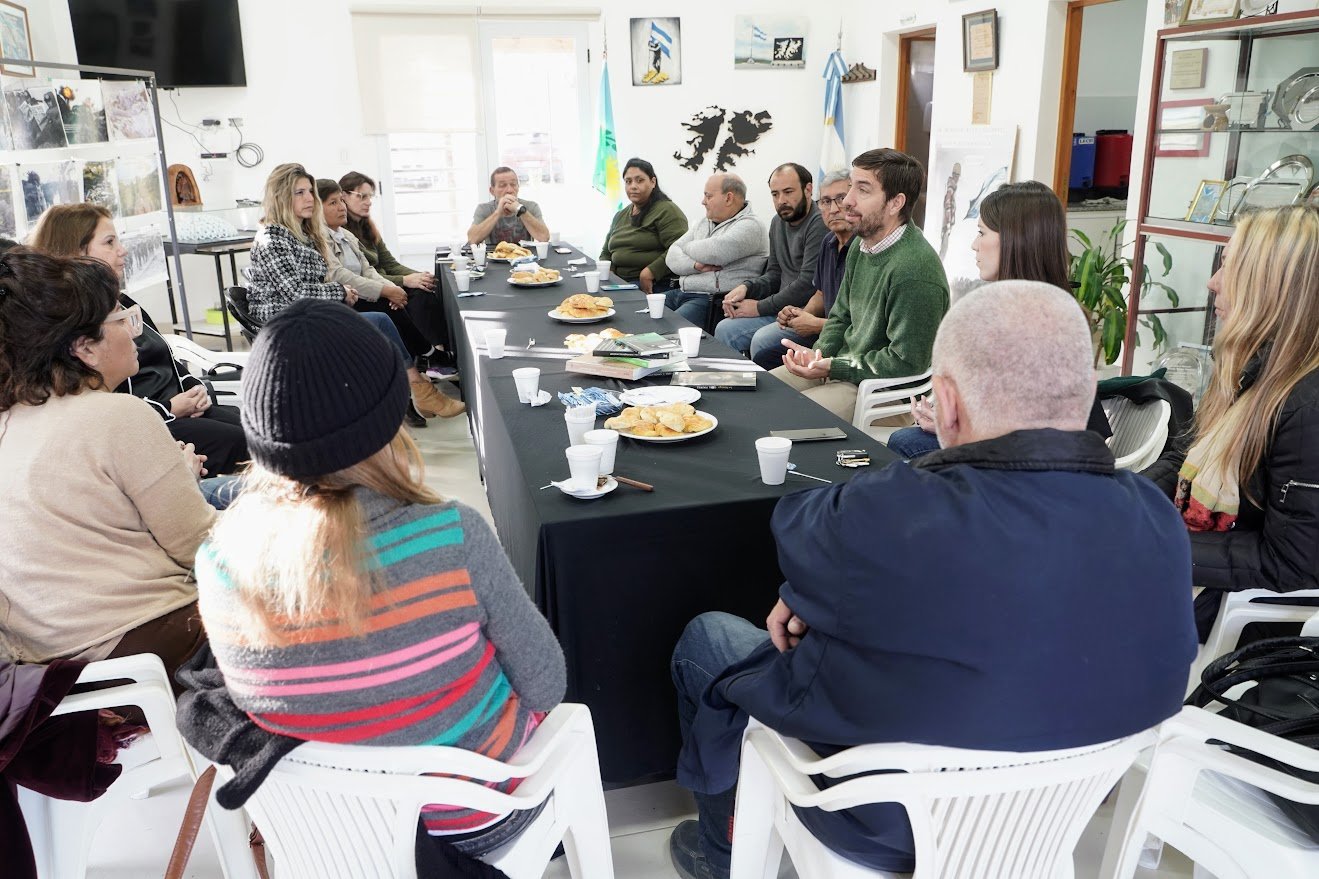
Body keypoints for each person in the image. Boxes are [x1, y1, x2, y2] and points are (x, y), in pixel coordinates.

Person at [668, 281, 1197, 879]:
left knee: (707, 641)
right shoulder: (1157, 519)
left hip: (891, 821)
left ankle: (720, 857)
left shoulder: (889, 515)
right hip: (1053, 819)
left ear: (944, 402)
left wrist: (811, 593)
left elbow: (796, 525)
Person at [194, 298, 566, 857]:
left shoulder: (217, 562)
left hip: (326, 832)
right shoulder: (451, 535)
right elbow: (546, 685)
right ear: (388, 417)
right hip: (471, 824)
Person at [0, 248, 214, 683]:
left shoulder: (10, 422)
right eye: (121, 315)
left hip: (50, 667)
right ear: (85, 348)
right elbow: (202, 547)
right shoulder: (120, 415)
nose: (134, 330)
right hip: (153, 643)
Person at [1142, 205, 1319, 641]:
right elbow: (1189, 461)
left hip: (1241, 617)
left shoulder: (1305, 409)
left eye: (1230, 267)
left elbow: (1294, 565)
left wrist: (1152, 547)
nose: (1212, 283)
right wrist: (1118, 496)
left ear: (1269, 288)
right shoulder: (1258, 373)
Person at [887, 181, 1111, 459]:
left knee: (904, 443)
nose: (973, 245)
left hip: (1038, 458)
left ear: (1016, 238)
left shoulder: (1031, 320)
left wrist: (956, 429)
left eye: (981, 232)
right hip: (1035, 446)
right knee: (906, 440)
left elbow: (1030, 426)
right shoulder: (1052, 306)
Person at [30, 203, 248, 474]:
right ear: (76, 250)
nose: (122, 250)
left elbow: (167, 358)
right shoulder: (70, 323)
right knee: (239, 442)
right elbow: (99, 404)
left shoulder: (124, 302)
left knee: (253, 425)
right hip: (148, 421)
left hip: (176, 407)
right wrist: (169, 408)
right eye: (109, 242)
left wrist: (195, 388)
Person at [246, 163, 463, 420]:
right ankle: (416, 390)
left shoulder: (299, 234)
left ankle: (415, 391)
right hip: (286, 326)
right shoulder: (273, 237)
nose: (308, 199)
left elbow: (321, 280)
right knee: (381, 321)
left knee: (383, 319)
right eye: (298, 193)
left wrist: (345, 292)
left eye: (309, 192)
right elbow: (294, 294)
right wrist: (340, 292)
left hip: (309, 315)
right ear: (281, 197)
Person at [773, 149, 949, 422]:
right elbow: (840, 316)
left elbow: (905, 363)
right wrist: (820, 355)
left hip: (888, 394)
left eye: (862, 190)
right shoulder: (861, 244)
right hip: (849, 371)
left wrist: (835, 366)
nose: (848, 201)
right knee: (761, 394)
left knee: (786, 418)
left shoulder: (915, 270)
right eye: (851, 186)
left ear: (895, 203)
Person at [713, 163, 827, 355]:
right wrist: (747, 287)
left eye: (788, 192)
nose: (781, 200)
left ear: (808, 189)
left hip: (805, 313)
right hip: (780, 309)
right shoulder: (777, 222)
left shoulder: (820, 222)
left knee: (762, 340)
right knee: (724, 328)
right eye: (775, 194)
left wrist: (758, 307)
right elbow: (774, 273)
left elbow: (808, 284)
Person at [748, 169, 856, 370]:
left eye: (841, 199)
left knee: (763, 345)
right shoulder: (829, 241)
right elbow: (820, 293)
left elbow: (862, 327)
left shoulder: (864, 249)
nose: (833, 209)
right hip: (824, 334)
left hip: (849, 349)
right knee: (764, 357)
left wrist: (813, 323)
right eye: (825, 201)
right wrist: (801, 315)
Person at [664, 174, 769, 327]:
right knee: (641, 315)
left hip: (712, 300)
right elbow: (671, 256)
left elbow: (715, 252)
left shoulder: (752, 226)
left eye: (708, 196)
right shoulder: (704, 222)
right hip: (681, 291)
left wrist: (685, 247)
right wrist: (695, 265)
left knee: (669, 328)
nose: (703, 202)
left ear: (728, 198)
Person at [598, 157, 688, 293]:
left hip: (654, 284)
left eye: (639, 180)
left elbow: (679, 249)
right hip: (620, 283)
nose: (633, 186)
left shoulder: (667, 210)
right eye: (628, 181)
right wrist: (609, 275)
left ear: (653, 182)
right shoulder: (620, 215)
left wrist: (649, 273)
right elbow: (606, 253)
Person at [466, 166, 550, 246]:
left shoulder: (531, 206)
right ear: (492, 191)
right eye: (502, 186)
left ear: (518, 187)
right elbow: (472, 239)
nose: (509, 190)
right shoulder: (484, 209)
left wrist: (520, 210)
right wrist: (498, 213)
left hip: (524, 257)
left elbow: (544, 237)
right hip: (494, 257)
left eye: (513, 184)